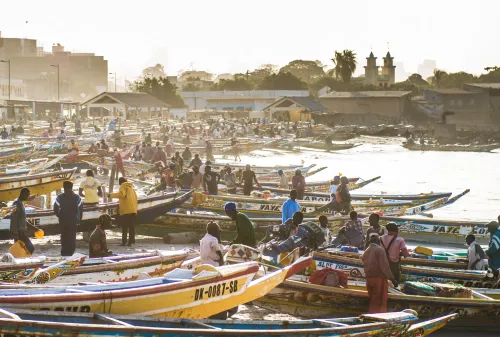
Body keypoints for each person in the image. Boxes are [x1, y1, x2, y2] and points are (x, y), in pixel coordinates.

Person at [361, 234, 398, 313]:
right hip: (379, 279)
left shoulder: (367, 250)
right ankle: (376, 317)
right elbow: (385, 268)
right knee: (379, 301)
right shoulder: (380, 250)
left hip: (369, 279)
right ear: (378, 241)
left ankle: (371, 315)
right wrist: (393, 279)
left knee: (373, 300)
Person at [54, 181, 83, 256]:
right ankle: (71, 252)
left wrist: (59, 215)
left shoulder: (59, 197)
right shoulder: (77, 197)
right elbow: (80, 209)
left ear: (64, 187)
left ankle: (64, 252)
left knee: (64, 235)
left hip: (63, 219)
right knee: (72, 236)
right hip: (73, 219)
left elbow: (55, 208)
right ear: (72, 187)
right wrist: (79, 219)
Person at [109, 177, 138, 246]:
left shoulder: (123, 186)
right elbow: (135, 198)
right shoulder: (131, 188)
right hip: (133, 210)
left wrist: (110, 195)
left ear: (120, 182)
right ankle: (131, 241)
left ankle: (124, 242)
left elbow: (122, 195)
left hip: (126, 210)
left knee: (124, 227)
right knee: (131, 227)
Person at [10, 188, 34, 255]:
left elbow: (23, 220)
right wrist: (15, 234)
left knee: (24, 250)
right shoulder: (17, 203)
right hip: (18, 233)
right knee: (29, 248)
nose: (28, 197)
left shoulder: (21, 204)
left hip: (22, 232)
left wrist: (34, 228)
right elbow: (13, 219)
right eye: (27, 195)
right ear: (22, 194)